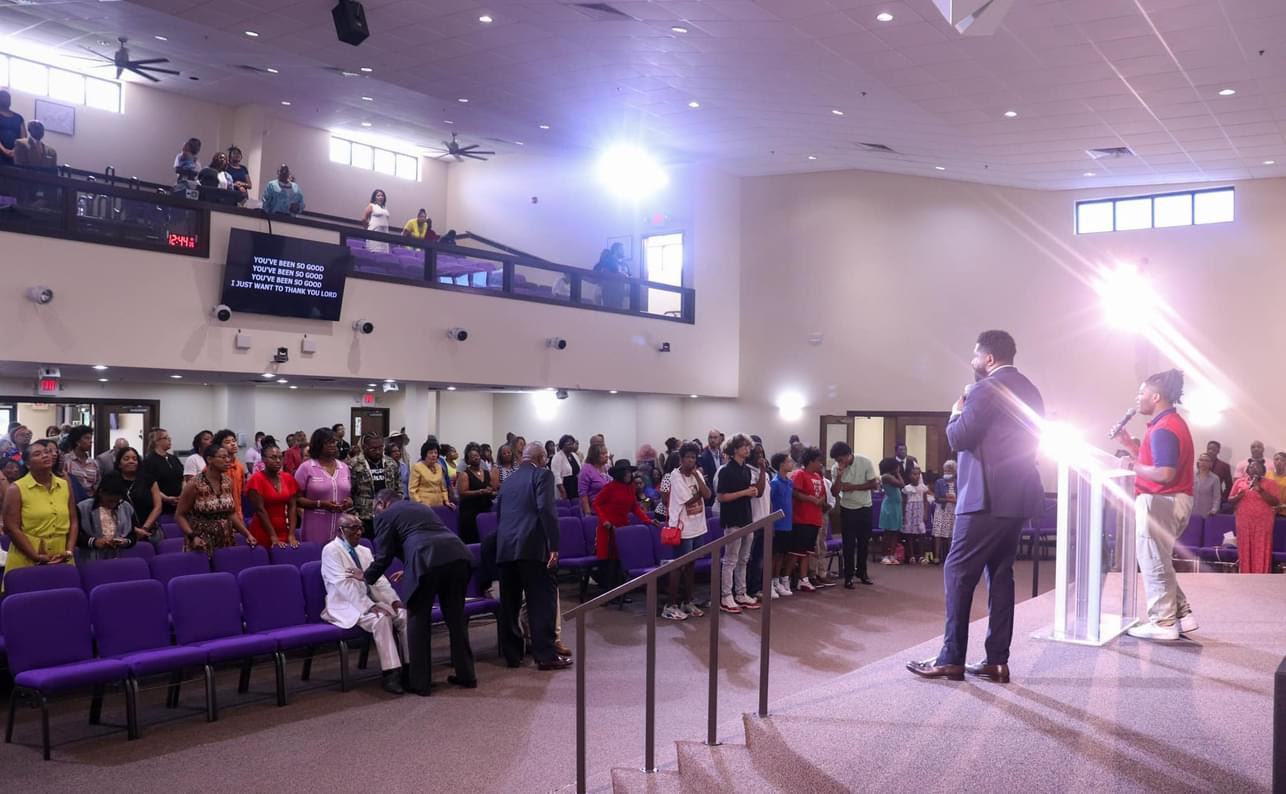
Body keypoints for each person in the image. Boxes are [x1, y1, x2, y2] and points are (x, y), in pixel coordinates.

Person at [909, 330, 1044, 683]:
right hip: (1017, 497)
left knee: (957, 572)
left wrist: (955, 413)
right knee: (1001, 575)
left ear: (988, 358)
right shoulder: (1031, 390)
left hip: (984, 499)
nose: (972, 361)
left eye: (974, 355)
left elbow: (959, 438)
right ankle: (996, 661)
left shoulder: (985, 389)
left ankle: (951, 658)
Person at [1112, 369, 1198, 641]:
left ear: (1156, 397)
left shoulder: (1164, 428)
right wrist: (1129, 445)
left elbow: (1164, 473)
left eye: (1142, 393)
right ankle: (1182, 615)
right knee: (1159, 559)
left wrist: (1131, 466)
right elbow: (1156, 463)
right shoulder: (1169, 423)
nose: (1138, 398)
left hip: (1162, 501)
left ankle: (1163, 622)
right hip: (1170, 500)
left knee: (1153, 562)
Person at [364, 491, 477, 693]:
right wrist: (410, 568)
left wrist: (365, 579)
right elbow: (426, 537)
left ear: (381, 503)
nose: (375, 513)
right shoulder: (421, 507)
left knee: (418, 621)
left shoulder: (385, 516)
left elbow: (384, 556)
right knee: (457, 620)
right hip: (458, 556)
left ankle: (420, 683)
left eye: (375, 509)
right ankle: (467, 675)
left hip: (425, 561)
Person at [493, 443, 570, 669]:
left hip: (506, 547)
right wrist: (553, 546)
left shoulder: (508, 480)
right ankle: (545, 656)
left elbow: (499, 513)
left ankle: (512, 655)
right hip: (532, 547)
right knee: (541, 603)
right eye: (545, 458)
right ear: (541, 458)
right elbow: (546, 510)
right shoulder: (542, 475)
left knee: (510, 605)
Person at [322, 512, 409, 694]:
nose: (359, 532)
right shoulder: (331, 551)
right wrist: (369, 606)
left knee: (403, 615)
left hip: (371, 600)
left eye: (360, 528)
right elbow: (343, 585)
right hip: (347, 605)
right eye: (354, 528)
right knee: (381, 619)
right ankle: (391, 673)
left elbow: (378, 580)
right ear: (340, 530)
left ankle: (411, 668)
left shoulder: (365, 551)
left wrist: (393, 600)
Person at [2, 439, 76, 592]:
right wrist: (35, 556)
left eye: (47, 452)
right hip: (28, 553)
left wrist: (69, 551)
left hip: (62, 553)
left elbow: (73, 520)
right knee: (28, 600)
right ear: (28, 464)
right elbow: (11, 527)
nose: (45, 455)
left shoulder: (64, 484)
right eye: (37, 454)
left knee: (63, 599)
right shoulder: (17, 488)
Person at [175, 443, 254, 556]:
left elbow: (231, 513)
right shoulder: (194, 484)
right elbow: (179, 515)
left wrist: (247, 534)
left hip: (225, 540)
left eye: (228, 457)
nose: (228, 460)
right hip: (200, 541)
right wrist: (192, 536)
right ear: (209, 459)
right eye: (223, 457)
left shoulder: (228, 482)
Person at [716, 434, 765, 614]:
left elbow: (754, 492)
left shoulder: (746, 470)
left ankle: (741, 593)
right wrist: (745, 492)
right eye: (744, 446)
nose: (747, 449)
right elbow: (722, 497)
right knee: (730, 560)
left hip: (746, 518)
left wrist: (752, 489)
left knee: (744, 559)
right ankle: (725, 596)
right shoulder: (726, 470)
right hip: (732, 519)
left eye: (748, 446)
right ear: (734, 449)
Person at [662, 442, 711, 619]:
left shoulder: (697, 474)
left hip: (698, 526)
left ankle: (688, 601)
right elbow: (689, 499)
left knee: (691, 565)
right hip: (682, 528)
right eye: (688, 457)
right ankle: (669, 605)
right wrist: (700, 491)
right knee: (679, 566)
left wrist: (697, 477)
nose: (691, 460)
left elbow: (708, 495)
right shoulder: (674, 476)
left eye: (693, 457)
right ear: (681, 459)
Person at [592, 458, 655, 594]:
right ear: (619, 474)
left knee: (620, 560)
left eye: (629, 472)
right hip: (608, 528)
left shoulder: (631, 488)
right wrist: (604, 521)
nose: (628, 474)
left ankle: (620, 592)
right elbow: (596, 503)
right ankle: (608, 593)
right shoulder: (610, 487)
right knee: (609, 562)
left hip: (622, 529)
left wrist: (648, 520)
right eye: (625, 472)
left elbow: (635, 507)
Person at [829, 441, 879, 588]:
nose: (839, 462)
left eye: (840, 459)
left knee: (864, 542)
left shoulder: (865, 461)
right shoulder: (836, 468)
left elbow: (873, 484)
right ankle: (848, 576)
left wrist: (853, 487)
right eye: (836, 460)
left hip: (865, 507)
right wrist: (839, 476)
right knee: (848, 543)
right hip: (847, 508)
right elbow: (835, 492)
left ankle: (862, 573)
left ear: (848, 455)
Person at [295, 427, 353, 544]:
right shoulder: (306, 467)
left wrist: (349, 502)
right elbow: (296, 499)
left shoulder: (344, 467)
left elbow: (348, 494)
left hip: (340, 526)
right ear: (318, 444)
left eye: (334, 442)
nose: (333, 445)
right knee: (316, 554)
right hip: (316, 525)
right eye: (328, 442)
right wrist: (320, 504)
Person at [1228, 457, 1280, 574]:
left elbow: (1275, 502)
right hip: (1244, 521)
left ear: (1263, 470)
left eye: (1258, 467)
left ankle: (1261, 573)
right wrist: (1238, 497)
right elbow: (1230, 500)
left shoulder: (1270, 483)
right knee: (1245, 546)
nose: (1254, 469)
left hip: (1263, 522)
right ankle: (1245, 573)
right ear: (1247, 470)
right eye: (1251, 467)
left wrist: (1260, 490)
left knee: (1261, 546)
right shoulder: (1239, 482)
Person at [245, 440, 299, 548]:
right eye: (273, 457)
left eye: (280, 457)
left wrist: (292, 534)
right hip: (263, 531)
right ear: (263, 459)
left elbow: (292, 507)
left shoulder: (287, 478)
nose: (278, 461)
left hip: (284, 530)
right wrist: (273, 536)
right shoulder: (256, 479)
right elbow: (260, 510)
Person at [76, 473, 139, 561]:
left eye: (117, 501)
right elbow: (75, 536)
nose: (113, 504)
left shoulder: (126, 507)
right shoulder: (83, 508)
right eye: (110, 501)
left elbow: (133, 536)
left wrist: (125, 542)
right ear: (101, 492)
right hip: (91, 559)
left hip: (118, 558)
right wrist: (94, 542)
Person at [790, 447, 827, 593]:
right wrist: (810, 499)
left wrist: (821, 500)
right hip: (802, 518)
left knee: (807, 551)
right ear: (811, 461)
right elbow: (794, 492)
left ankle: (803, 579)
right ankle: (785, 578)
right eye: (818, 461)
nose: (821, 464)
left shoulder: (817, 476)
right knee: (797, 552)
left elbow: (823, 493)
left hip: (815, 518)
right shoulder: (800, 474)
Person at [349, 433, 402, 535]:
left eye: (380, 448)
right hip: (364, 516)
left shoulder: (391, 463)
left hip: (388, 514)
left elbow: (399, 487)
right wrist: (354, 514)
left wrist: (396, 505)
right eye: (373, 449)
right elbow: (349, 491)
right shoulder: (354, 464)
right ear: (364, 447)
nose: (378, 452)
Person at [140, 427, 184, 537]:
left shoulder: (173, 458)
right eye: (166, 438)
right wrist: (166, 498)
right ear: (157, 441)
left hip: (178, 505)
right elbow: (149, 485)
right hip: (161, 507)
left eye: (169, 438)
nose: (170, 440)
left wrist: (182, 494)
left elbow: (183, 478)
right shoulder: (149, 461)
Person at [768, 452, 796, 598]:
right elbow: (770, 504)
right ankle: (769, 584)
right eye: (789, 461)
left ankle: (777, 581)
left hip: (787, 524)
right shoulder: (774, 483)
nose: (791, 464)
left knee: (782, 555)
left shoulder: (789, 482)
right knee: (774, 555)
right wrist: (771, 525)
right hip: (777, 525)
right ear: (781, 465)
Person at [455, 443, 495, 544]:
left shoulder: (486, 472)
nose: (476, 458)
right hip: (470, 512)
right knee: (472, 539)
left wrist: (491, 491)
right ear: (468, 460)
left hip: (485, 508)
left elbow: (491, 487)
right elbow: (462, 493)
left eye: (477, 456)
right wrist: (479, 492)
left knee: (486, 538)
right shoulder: (465, 474)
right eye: (472, 456)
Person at [211, 429, 248, 517]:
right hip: (218, 515)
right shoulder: (214, 467)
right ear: (219, 446)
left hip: (237, 513)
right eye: (227, 442)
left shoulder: (240, 466)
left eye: (234, 441)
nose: (233, 444)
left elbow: (242, 491)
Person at [409, 439, 454, 508]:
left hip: (439, 504)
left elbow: (443, 488)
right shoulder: (417, 467)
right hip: (423, 505)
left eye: (436, 453)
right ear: (425, 454)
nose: (434, 455)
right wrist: (420, 503)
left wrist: (446, 501)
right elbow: (412, 490)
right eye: (430, 453)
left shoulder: (439, 467)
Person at [877, 457, 906, 565]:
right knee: (888, 532)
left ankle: (892, 555)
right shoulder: (886, 476)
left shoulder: (891, 476)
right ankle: (884, 555)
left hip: (896, 506)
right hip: (889, 506)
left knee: (895, 532)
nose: (899, 468)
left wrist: (897, 473)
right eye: (897, 466)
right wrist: (898, 473)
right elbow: (901, 484)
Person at [930, 460, 958, 565]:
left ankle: (951, 557)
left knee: (951, 534)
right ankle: (937, 557)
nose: (946, 473)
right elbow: (937, 498)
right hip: (941, 509)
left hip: (953, 510)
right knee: (938, 533)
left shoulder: (958, 482)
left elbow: (960, 497)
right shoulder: (939, 482)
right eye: (945, 471)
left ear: (954, 472)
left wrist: (954, 500)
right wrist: (949, 499)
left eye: (949, 471)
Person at [902, 466, 931, 564]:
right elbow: (904, 502)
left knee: (921, 533)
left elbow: (925, 501)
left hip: (920, 511)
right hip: (909, 511)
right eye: (914, 474)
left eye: (918, 474)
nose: (916, 476)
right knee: (909, 534)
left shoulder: (923, 487)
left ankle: (921, 556)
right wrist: (903, 514)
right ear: (910, 476)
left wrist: (925, 513)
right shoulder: (906, 488)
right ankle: (911, 556)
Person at [63, 425, 99, 498]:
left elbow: (97, 484)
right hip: (72, 498)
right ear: (77, 441)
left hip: (90, 500)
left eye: (91, 438)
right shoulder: (66, 460)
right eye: (87, 438)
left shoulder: (93, 463)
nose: (91, 441)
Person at [577, 443, 611, 519]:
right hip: (594, 512)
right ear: (595, 456)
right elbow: (583, 494)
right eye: (603, 454)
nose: (606, 456)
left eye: (606, 453)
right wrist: (588, 513)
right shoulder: (586, 470)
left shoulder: (605, 467)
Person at [0, 90, 27, 166]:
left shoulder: (18, 118)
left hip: (16, 156)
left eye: (8, 98)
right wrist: (4, 150)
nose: (6, 99)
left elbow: (24, 138)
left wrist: (15, 151)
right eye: (3, 97)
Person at [550, 435, 581, 501]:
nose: (571, 446)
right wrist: (562, 491)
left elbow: (579, 469)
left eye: (572, 444)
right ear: (562, 444)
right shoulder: (557, 457)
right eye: (569, 444)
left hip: (575, 485)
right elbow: (556, 475)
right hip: (565, 486)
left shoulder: (574, 455)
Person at [1193, 452, 1222, 519]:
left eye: (1206, 460)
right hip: (1192, 513)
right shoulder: (1192, 476)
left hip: (1207, 514)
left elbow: (1217, 497)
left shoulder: (1215, 479)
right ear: (1198, 462)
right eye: (1201, 460)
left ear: (1210, 464)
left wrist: (1214, 510)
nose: (1203, 462)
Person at [698, 429, 723, 506]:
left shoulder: (722, 455)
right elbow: (705, 478)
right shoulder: (702, 456)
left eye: (715, 437)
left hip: (721, 493)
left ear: (720, 439)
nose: (712, 440)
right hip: (710, 496)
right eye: (710, 437)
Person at [1272, 453, 1286, 518]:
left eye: (1282, 460)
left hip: (1284, 514)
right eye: (1276, 459)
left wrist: (1282, 506)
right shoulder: (1267, 475)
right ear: (1273, 462)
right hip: (1269, 513)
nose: (1279, 461)